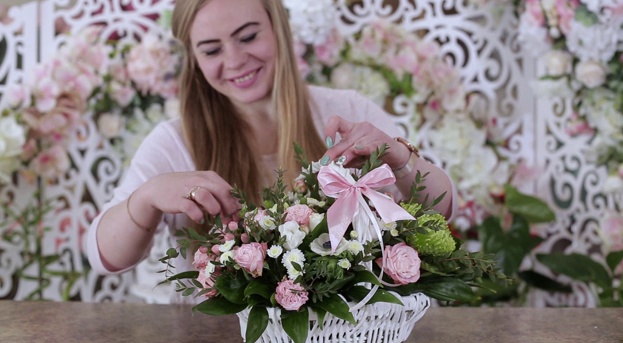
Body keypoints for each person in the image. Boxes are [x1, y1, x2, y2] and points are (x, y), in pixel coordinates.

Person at [84, 0, 458, 299]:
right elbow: (104, 257)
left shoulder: (347, 109)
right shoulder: (173, 142)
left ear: (278, 28)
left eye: (247, 37)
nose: (234, 60)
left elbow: (442, 209)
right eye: (212, 49)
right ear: (194, 59)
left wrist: (397, 155)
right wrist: (145, 198)